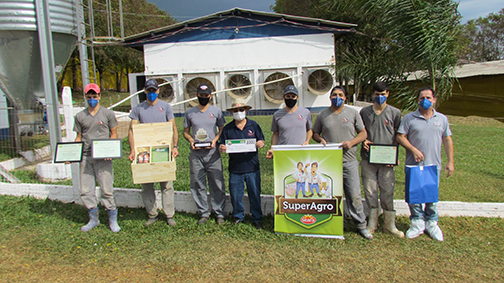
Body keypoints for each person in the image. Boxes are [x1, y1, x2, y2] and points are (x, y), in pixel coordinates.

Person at [312, 86, 373, 240]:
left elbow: (363, 133)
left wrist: (352, 143)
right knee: (332, 195)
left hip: (349, 161)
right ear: (330, 97)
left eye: (340, 95)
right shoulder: (323, 115)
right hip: (330, 162)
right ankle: (338, 223)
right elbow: (315, 133)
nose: (337, 97)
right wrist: (320, 140)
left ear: (345, 98)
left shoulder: (353, 113)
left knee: (354, 195)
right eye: (334, 95)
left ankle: (361, 225)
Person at [396, 87, 454, 241]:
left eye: (428, 97)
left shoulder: (441, 119)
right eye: (422, 98)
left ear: (434, 100)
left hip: (433, 165)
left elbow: (447, 139)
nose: (425, 101)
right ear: (418, 100)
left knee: (432, 196)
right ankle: (417, 222)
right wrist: (413, 150)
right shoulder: (409, 118)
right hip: (414, 164)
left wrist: (450, 161)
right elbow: (400, 137)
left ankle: (432, 222)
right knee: (414, 195)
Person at [128, 79, 179, 227]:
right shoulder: (138, 109)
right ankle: (152, 214)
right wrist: (133, 150)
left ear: (158, 91)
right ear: (145, 91)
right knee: (147, 185)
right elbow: (132, 130)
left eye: (153, 90)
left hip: (163, 150)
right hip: (145, 151)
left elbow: (173, 128)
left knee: (167, 185)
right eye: (148, 90)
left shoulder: (166, 107)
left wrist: (174, 146)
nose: (151, 93)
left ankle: (169, 215)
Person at [359, 82, 404, 238]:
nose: (380, 97)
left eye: (383, 94)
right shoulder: (364, 112)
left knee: (387, 190)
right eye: (377, 94)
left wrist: (395, 155)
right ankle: (372, 223)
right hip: (368, 159)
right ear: (373, 94)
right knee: (370, 190)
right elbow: (359, 131)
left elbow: (399, 135)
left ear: (388, 94)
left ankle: (389, 224)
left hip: (387, 159)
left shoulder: (395, 113)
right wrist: (363, 141)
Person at [74, 83, 120, 232]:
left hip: (103, 157)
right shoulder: (80, 116)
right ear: (85, 97)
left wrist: (111, 152)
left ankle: (112, 220)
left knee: (107, 189)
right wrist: (72, 153)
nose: (92, 99)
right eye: (89, 97)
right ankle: (93, 218)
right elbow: (79, 137)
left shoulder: (107, 114)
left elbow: (114, 134)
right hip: (86, 157)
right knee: (86, 190)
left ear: (99, 96)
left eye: (94, 96)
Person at [183, 84, 227, 225]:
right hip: (196, 154)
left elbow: (221, 128)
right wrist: (191, 140)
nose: (203, 97)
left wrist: (215, 140)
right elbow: (185, 131)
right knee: (197, 183)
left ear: (210, 96)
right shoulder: (190, 112)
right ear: (197, 95)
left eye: (206, 95)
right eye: (201, 95)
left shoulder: (216, 111)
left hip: (212, 153)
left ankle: (219, 213)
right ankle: (203, 213)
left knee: (217, 183)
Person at [219, 98, 265, 229]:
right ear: (231, 112)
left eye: (241, 110)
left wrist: (261, 143)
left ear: (246, 111)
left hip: (252, 167)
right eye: (235, 110)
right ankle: (238, 217)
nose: (238, 112)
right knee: (235, 195)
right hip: (235, 169)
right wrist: (221, 147)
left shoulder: (254, 125)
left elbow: (261, 140)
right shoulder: (228, 128)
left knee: (255, 194)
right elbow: (221, 144)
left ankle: (257, 218)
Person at [266, 85, 312, 159]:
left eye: (293, 96)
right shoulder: (277, 115)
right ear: (283, 97)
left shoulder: (305, 112)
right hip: (283, 152)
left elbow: (309, 130)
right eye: (288, 96)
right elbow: (275, 134)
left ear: (297, 97)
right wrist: (272, 148)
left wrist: (307, 141)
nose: (290, 98)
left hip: (301, 152)